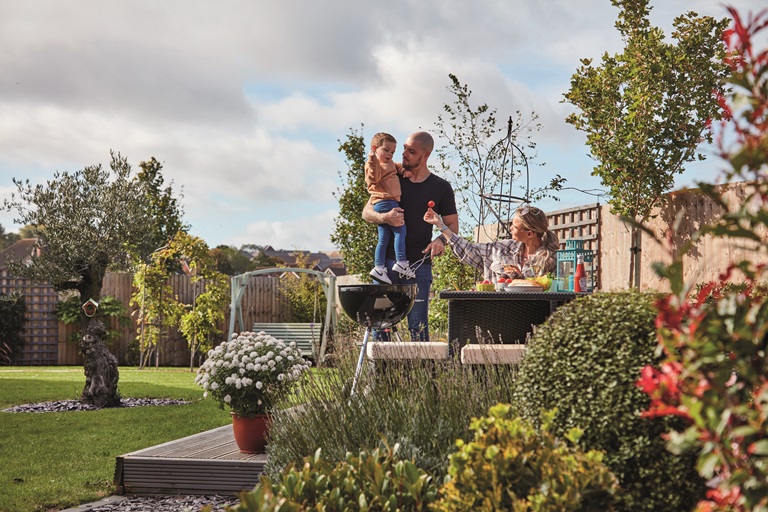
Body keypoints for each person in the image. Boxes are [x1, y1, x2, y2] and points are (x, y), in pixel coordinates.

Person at [363, 131, 458, 340]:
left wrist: (440, 240)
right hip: (386, 266)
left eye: (411, 151)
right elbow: (366, 212)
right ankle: (380, 373)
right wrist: (385, 216)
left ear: (425, 155)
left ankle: (419, 372)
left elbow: (453, 224)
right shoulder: (391, 175)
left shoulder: (441, 187)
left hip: (419, 266)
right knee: (381, 327)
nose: (404, 154)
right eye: (404, 149)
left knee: (419, 327)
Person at [423, 203, 558, 283]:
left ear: (529, 233)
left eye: (514, 227)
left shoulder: (550, 260)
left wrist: (520, 279)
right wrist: (440, 225)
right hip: (493, 314)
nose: (510, 228)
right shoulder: (502, 249)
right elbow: (469, 249)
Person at [365, 132, 413, 284]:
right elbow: (373, 177)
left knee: (384, 238)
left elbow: (397, 166)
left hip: (384, 203)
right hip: (386, 201)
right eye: (386, 150)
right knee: (400, 230)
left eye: (392, 152)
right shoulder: (374, 164)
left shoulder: (390, 163)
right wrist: (372, 158)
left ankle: (379, 267)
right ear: (374, 148)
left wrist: (404, 172)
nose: (390, 155)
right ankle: (401, 262)